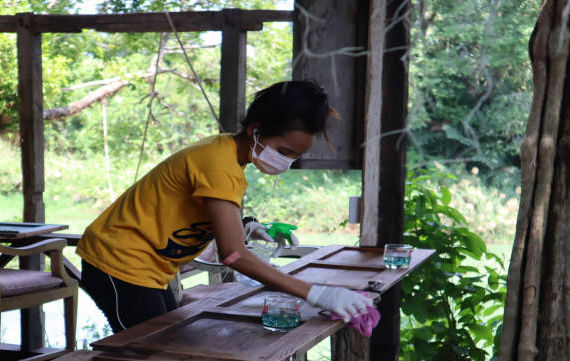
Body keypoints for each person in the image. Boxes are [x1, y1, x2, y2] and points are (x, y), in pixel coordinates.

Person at [77, 80, 373, 333]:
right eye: (284, 151)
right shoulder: (219, 166)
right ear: (255, 130)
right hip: (117, 262)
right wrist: (318, 293)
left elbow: (205, 213)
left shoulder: (226, 153)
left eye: (295, 156)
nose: (287, 161)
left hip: (149, 267)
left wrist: (246, 226)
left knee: (165, 340)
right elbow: (234, 255)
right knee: (145, 353)